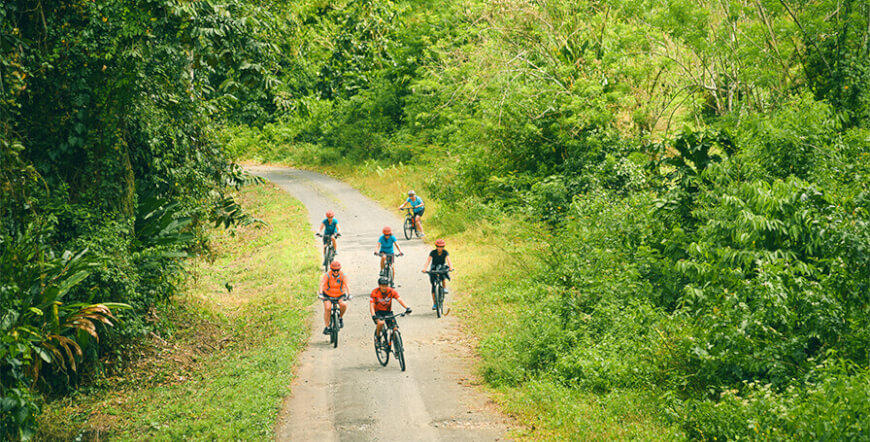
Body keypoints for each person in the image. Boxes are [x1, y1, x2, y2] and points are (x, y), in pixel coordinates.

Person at [422, 239, 454, 309]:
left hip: (441, 267)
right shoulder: (433, 252)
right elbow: (428, 261)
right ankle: (435, 304)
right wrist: (425, 268)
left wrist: (451, 267)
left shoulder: (445, 252)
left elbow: (449, 260)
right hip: (434, 267)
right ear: (436, 247)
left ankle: (444, 288)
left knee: (443, 274)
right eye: (438, 247)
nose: (440, 248)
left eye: (442, 247)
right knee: (433, 286)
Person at [320, 261, 349, 335]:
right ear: (331, 269)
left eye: (337, 270)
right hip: (328, 295)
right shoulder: (327, 275)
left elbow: (347, 285)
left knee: (343, 305)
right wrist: (320, 294)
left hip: (340, 294)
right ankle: (327, 327)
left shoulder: (343, 275)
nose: (336, 272)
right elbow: (322, 284)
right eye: (334, 270)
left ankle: (340, 318)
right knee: (328, 308)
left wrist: (349, 294)